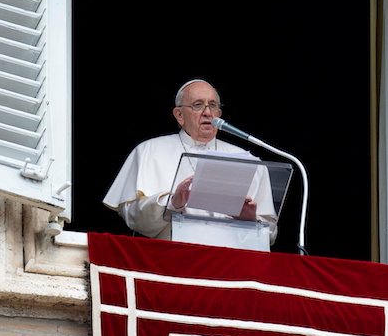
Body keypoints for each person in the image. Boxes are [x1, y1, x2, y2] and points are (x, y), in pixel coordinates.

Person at [102, 79, 278, 242]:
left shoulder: (247, 160)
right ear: (179, 115)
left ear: (219, 113)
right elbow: (132, 217)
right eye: (198, 105)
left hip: (231, 264)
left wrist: (250, 220)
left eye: (212, 106)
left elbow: (270, 234)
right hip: (173, 263)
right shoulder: (149, 150)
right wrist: (172, 203)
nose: (207, 112)